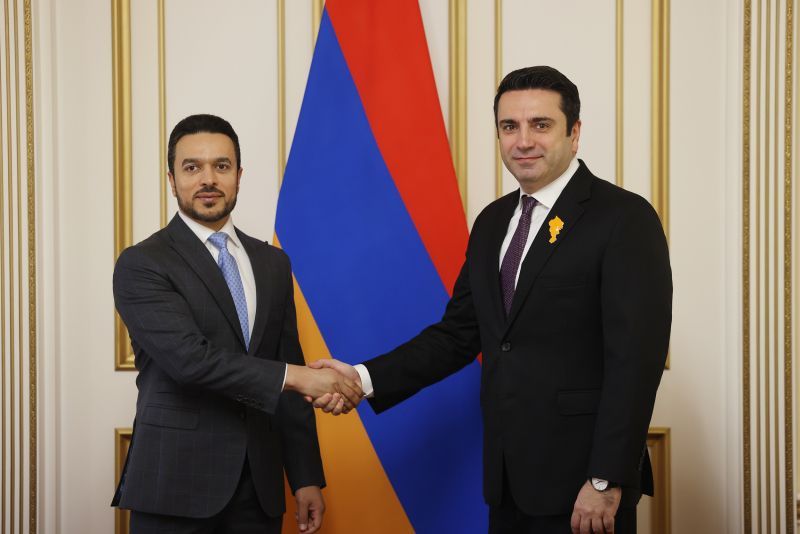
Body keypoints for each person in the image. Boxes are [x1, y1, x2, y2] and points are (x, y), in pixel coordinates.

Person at [311, 66, 672, 534]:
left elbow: (635, 363)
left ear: (575, 133)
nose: (523, 141)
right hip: (507, 483)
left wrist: (605, 478)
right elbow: (457, 335)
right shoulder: (492, 223)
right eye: (509, 126)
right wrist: (361, 379)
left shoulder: (624, 218)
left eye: (541, 125)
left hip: (584, 485)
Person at [111, 114, 361, 534]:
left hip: (259, 491)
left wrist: (305, 478)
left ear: (239, 176)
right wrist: (300, 377)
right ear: (172, 179)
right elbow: (190, 360)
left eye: (221, 166)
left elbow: (285, 362)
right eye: (192, 167)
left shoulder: (273, 263)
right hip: (176, 486)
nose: (208, 179)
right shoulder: (143, 263)